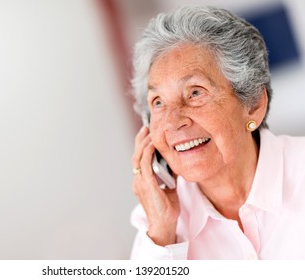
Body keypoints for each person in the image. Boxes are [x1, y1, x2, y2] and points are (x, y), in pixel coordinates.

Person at [130, 6, 305, 260]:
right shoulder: (156, 222)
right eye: (158, 102)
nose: (172, 122)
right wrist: (162, 234)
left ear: (253, 105)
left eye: (195, 92)